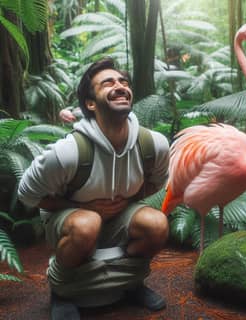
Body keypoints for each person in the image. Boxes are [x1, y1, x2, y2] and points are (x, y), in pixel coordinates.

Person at [18, 57, 170, 319]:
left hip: (119, 218)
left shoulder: (152, 145)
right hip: (70, 220)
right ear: (90, 103)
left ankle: (131, 282)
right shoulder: (68, 152)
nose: (120, 86)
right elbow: (27, 195)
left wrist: (128, 201)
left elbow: (157, 181)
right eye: (107, 83)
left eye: (123, 81)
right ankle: (62, 290)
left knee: (157, 224)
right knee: (86, 224)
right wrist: (81, 207)